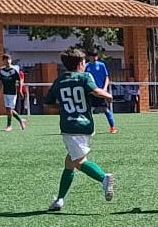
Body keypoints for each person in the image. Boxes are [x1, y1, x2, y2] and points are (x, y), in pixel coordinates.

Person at [44, 49, 116, 212]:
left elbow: (48, 104)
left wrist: (64, 108)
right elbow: (95, 91)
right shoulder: (85, 77)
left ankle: (104, 178)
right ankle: (59, 199)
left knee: (79, 162)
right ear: (80, 63)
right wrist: (108, 96)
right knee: (70, 162)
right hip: (86, 125)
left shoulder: (59, 80)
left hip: (70, 127)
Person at [85, 51, 118, 134]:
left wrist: (105, 88)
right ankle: (90, 129)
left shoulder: (101, 65)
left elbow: (106, 77)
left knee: (105, 110)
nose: (95, 57)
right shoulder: (86, 66)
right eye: (93, 56)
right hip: (91, 92)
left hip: (101, 91)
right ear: (89, 57)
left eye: (96, 56)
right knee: (89, 111)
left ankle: (113, 127)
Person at [0, 55, 26, 131]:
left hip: (13, 92)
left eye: (9, 59)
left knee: (9, 109)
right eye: (6, 60)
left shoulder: (14, 70)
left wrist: (20, 90)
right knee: (8, 110)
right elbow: (0, 82)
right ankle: (21, 120)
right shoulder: (2, 70)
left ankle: (9, 126)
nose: (8, 61)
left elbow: (20, 80)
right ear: (3, 61)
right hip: (5, 92)